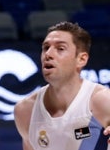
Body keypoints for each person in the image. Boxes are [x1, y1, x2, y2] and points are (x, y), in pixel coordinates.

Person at [13, 21, 110, 150]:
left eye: (60, 49)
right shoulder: (25, 111)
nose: (48, 54)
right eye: (46, 48)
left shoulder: (102, 100)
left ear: (81, 59)